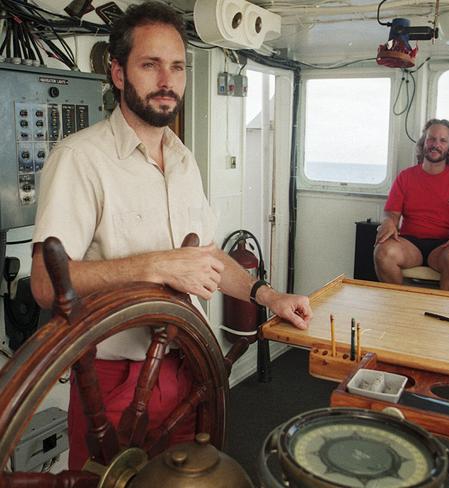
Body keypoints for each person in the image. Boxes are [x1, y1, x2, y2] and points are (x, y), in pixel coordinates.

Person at [29, 1, 312, 468]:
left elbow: (206, 259)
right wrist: (155, 265)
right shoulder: (79, 158)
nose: (167, 81)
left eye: (177, 67)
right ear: (118, 74)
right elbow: (44, 283)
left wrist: (269, 295)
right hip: (116, 380)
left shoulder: (184, 159)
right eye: (150, 65)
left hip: (190, 367)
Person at [374, 119, 449, 291]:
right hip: (410, 245)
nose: (436, 144)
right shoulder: (406, 177)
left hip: (445, 246)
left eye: (442, 140)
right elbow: (392, 214)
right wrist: (388, 221)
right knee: (383, 252)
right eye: (431, 139)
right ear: (423, 142)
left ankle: (445, 314)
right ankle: (398, 307)